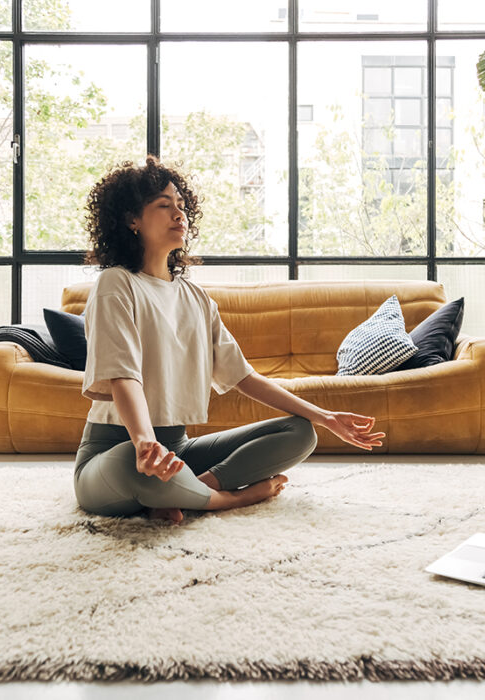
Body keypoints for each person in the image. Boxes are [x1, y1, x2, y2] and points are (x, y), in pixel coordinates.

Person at [74, 155, 385, 525]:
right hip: (115, 451)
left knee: (299, 432)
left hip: (178, 449)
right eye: (164, 205)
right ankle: (226, 499)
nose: (179, 214)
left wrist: (324, 416)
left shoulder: (196, 298)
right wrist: (143, 442)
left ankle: (192, 488)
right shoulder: (116, 283)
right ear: (131, 219)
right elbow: (123, 375)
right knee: (133, 465)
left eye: (182, 206)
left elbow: (244, 377)